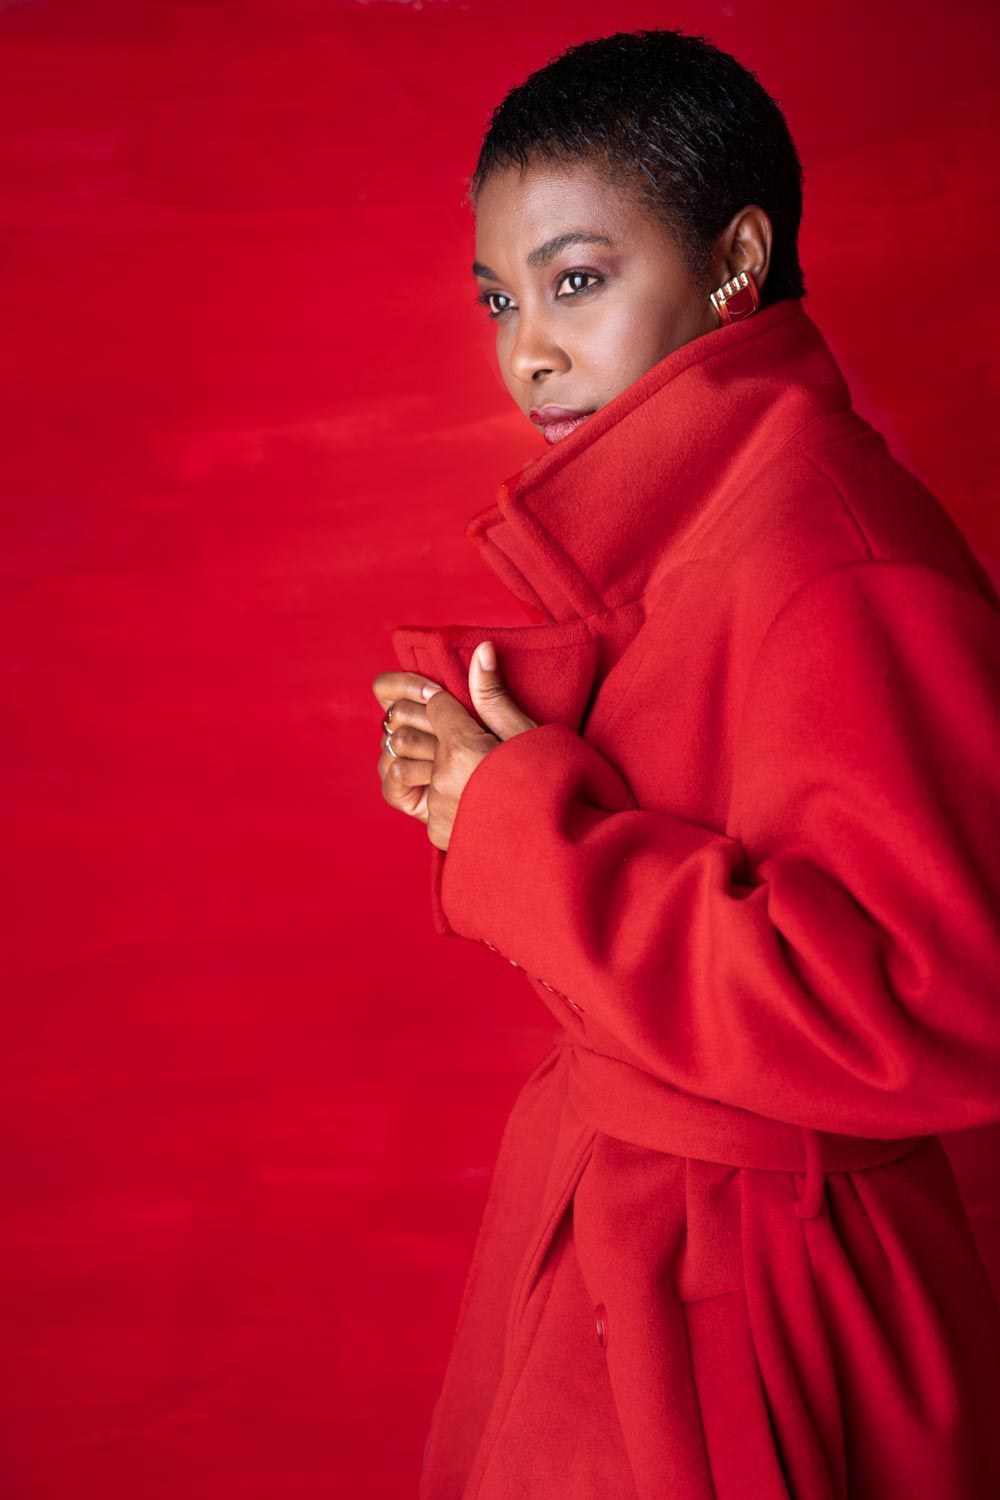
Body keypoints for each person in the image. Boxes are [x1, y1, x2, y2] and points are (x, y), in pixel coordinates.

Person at [371, 28, 1000, 1500]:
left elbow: (935, 999)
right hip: (626, 1242)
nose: (527, 347)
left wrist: (517, 822)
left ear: (736, 262)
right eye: (500, 296)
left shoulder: (834, 553)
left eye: (577, 280)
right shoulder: (700, 530)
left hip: (750, 1299)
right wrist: (496, 778)